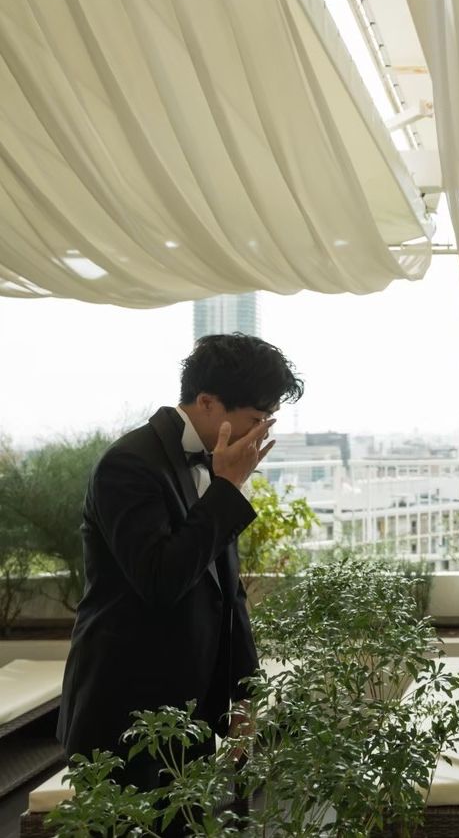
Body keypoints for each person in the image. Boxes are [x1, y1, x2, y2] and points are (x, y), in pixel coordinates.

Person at [58, 333, 303, 829]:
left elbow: (228, 592)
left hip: (190, 715)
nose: (259, 436)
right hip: (125, 716)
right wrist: (227, 487)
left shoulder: (215, 464)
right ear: (208, 403)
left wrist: (245, 694)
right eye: (256, 419)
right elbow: (161, 579)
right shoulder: (128, 464)